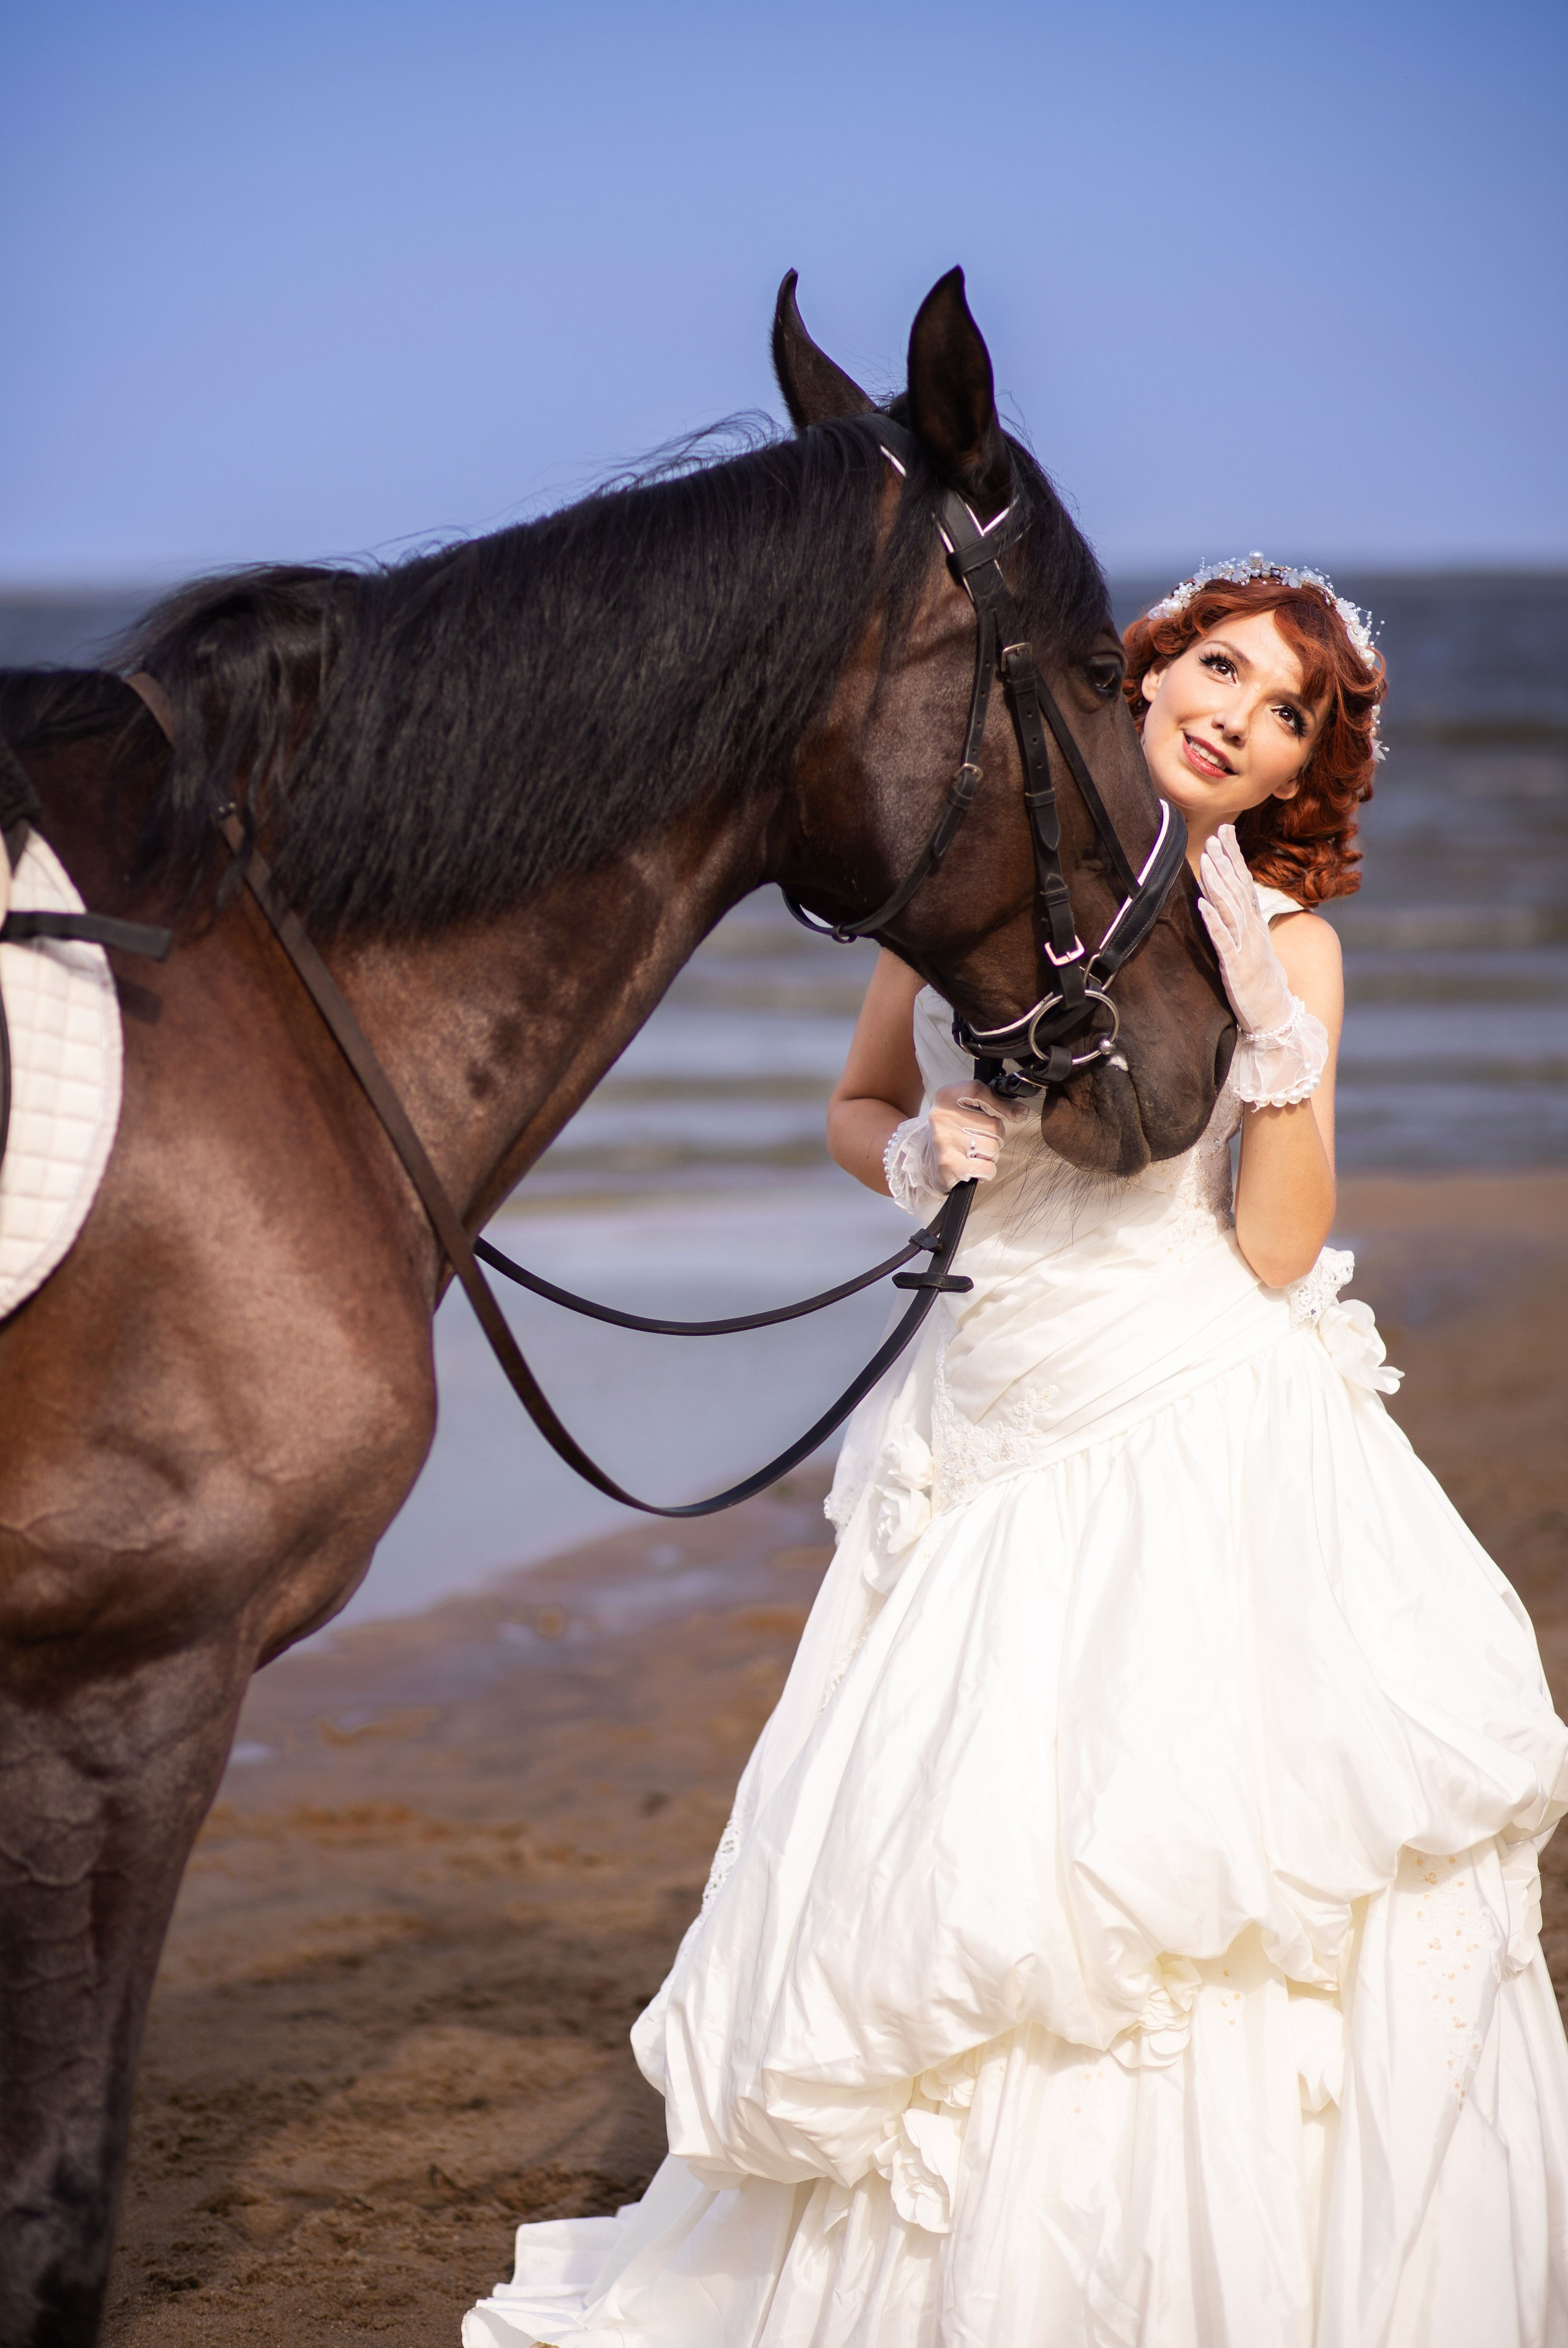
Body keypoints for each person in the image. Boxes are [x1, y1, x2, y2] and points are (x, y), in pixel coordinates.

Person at [465, 562, 1568, 2347]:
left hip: (1186, 1396)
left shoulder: (1291, 947)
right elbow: (856, 1108)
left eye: (1288, 712)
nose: (1239, 715)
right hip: (986, 1398)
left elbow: (1278, 1249)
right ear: (1147, 673)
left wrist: (1272, 1034)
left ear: (1302, 771)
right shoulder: (975, 886)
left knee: (1191, 1847)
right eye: (1220, 667)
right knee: (948, 1826)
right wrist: (923, 1152)